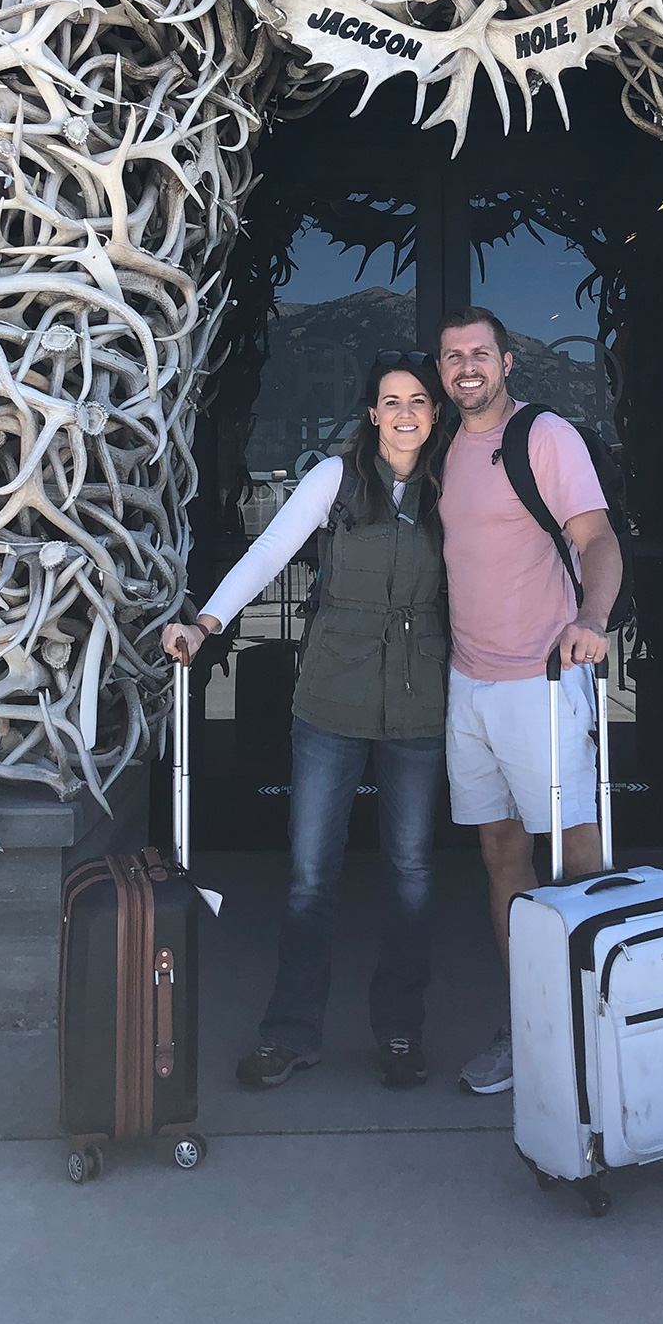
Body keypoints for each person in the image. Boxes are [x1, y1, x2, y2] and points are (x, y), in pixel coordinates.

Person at [160, 352, 455, 1091]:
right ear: (372, 413)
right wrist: (206, 622)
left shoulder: (454, 484)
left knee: (412, 872)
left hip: (417, 700)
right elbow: (269, 552)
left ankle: (400, 1031)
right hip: (330, 697)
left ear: (435, 412)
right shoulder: (335, 478)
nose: (405, 414)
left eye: (418, 401)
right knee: (310, 875)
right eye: (392, 401)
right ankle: (290, 1033)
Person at [429, 305, 624, 1097]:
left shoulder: (544, 436)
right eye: (453, 356)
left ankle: (597, 1025)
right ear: (441, 370)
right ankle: (532, 1024)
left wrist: (592, 619)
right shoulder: (443, 447)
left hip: (541, 682)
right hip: (468, 685)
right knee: (502, 855)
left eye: (480, 353)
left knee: (576, 857)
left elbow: (598, 538)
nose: (466, 366)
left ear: (507, 362)